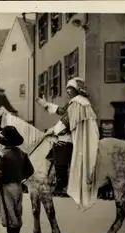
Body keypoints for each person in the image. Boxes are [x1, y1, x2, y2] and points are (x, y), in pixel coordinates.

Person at [36, 77, 99, 208]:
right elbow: (64, 112)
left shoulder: (78, 103)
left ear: (77, 90)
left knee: (60, 152)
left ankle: (61, 185)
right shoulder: (78, 102)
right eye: (67, 89)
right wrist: (46, 104)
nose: (68, 91)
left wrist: (53, 130)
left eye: (70, 88)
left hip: (75, 137)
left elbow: (67, 120)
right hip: (73, 134)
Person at [0, 126, 34, 233]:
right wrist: (21, 178)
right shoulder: (22, 153)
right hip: (18, 187)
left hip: (6, 187)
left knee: (9, 215)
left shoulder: (1, 155)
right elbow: (30, 170)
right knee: (17, 213)